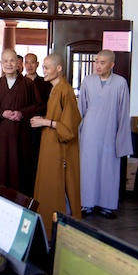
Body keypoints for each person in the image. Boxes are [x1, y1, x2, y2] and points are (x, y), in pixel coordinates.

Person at [30, 53, 82, 239]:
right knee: (46, 184)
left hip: (60, 149)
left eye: (46, 67)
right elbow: (57, 117)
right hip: (50, 145)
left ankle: (57, 230)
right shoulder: (54, 89)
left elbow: (69, 129)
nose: (43, 71)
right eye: (43, 67)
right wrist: (44, 120)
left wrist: (46, 123)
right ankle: (45, 228)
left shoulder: (65, 91)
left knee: (55, 186)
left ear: (58, 68)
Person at [78, 49, 133, 219]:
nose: (98, 66)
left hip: (110, 132)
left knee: (109, 169)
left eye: (102, 63)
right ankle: (86, 204)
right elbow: (80, 109)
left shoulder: (120, 83)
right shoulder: (87, 81)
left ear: (112, 64)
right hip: (89, 133)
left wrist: (121, 138)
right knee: (88, 168)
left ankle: (107, 206)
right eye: (96, 62)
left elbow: (124, 113)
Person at [0, 48, 44, 197]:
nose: (9, 64)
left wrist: (22, 113)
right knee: (2, 171)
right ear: (1, 63)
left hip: (21, 137)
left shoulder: (28, 84)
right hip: (2, 137)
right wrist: (1, 113)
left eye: (12, 60)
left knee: (21, 171)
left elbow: (39, 106)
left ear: (18, 63)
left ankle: (21, 208)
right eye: (5, 61)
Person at [24, 53, 52, 187]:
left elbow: (49, 105)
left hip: (41, 126)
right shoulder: (20, 83)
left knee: (38, 158)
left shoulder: (45, 83)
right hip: (23, 125)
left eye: (32, 62)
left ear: (37, 64)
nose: (29, 66)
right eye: (27, 63)